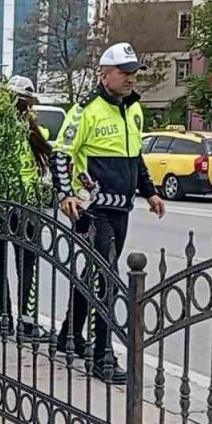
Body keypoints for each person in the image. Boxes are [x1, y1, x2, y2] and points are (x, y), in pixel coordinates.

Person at [52, 42, 167, 384]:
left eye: (134, 72)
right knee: (107, 279)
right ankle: (102, 357)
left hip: (122, 207)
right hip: (92, 209)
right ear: (105, 74)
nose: (131, 78)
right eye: (125, 72)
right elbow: (62, 152)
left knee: (94, 275)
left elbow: (135, 156)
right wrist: (65, 193)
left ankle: (69, 335)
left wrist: (149, 191)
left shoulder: (132, 109)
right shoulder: (85, 110)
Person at [0, 75, 50, 339]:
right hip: (24, 204)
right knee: (26, 264)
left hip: (0, 205)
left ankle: (4, 317)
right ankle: (24, 321)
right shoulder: (33, 131)